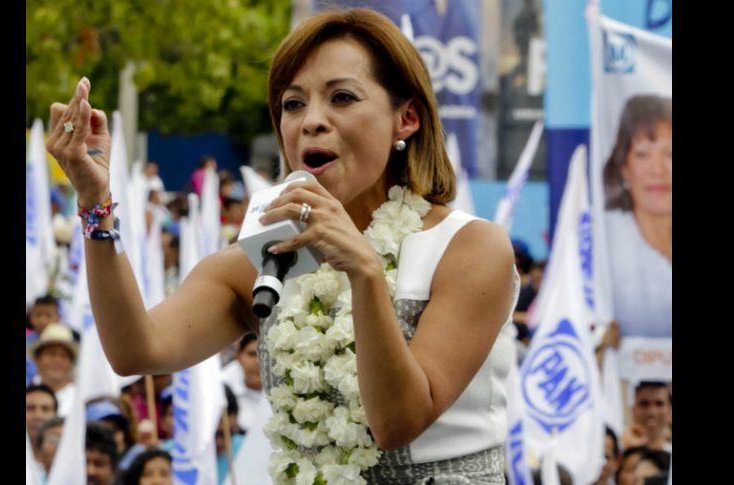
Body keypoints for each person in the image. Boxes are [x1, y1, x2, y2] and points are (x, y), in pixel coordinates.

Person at [46, 7, 517, 483]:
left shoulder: (471, 248)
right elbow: (135, 350)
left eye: (342, 97)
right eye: (293, 104)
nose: (311, 121)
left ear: (407, 119)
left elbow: (397, 424)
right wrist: (94, 202)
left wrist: (365, 272)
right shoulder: (260, 260)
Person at [603, 95, 672, 339]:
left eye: (670, 155)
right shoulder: (603, 238)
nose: (658, 170)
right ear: (624, 167)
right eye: (643, 154)